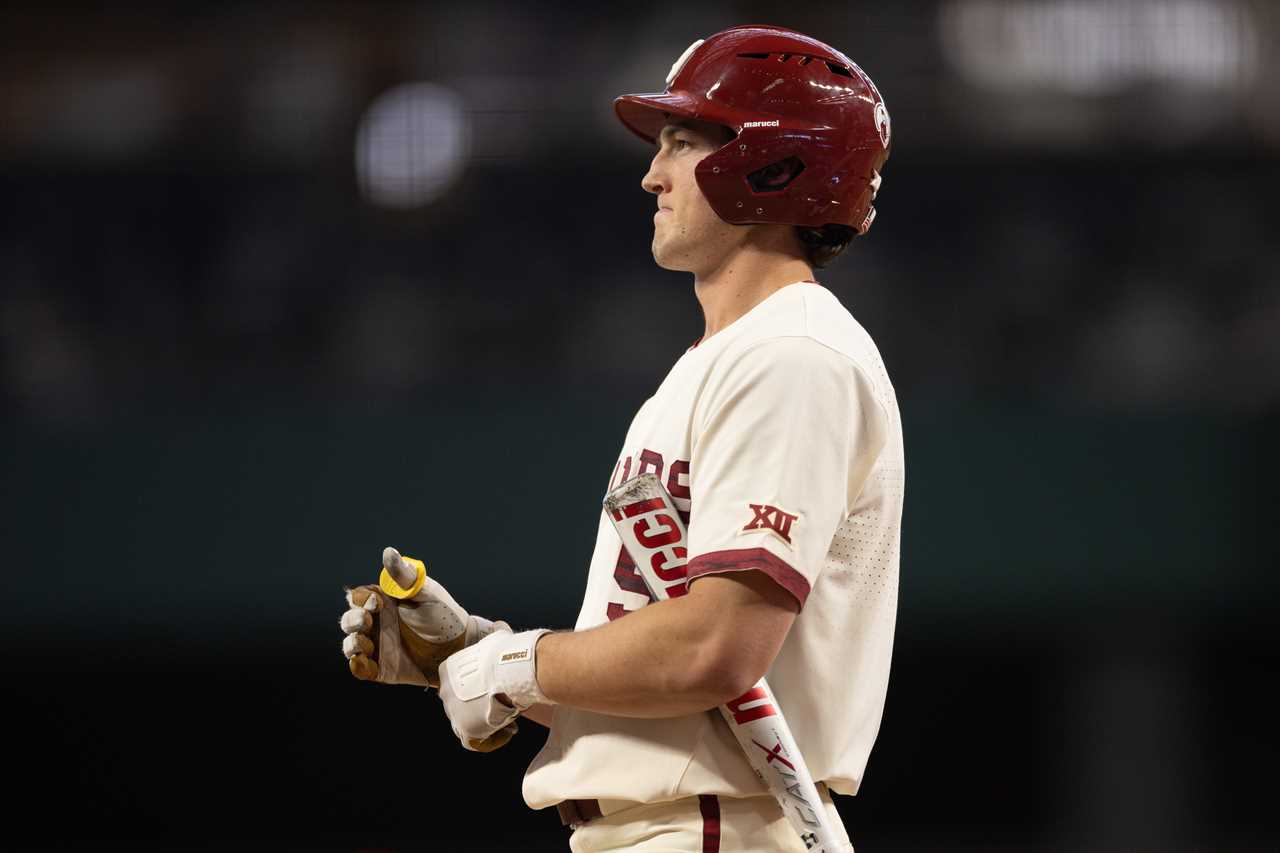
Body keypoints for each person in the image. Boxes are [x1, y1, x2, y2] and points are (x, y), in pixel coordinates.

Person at [340, 24, 903, 853]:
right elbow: (677, 697)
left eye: (680, 142)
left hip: (714, 830)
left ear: (768, 164)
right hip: (675, 822)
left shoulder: (795, 353)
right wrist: (476, 653)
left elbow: (717, 649)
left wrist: (519, 664)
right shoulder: (723, 361)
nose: (652, 174)